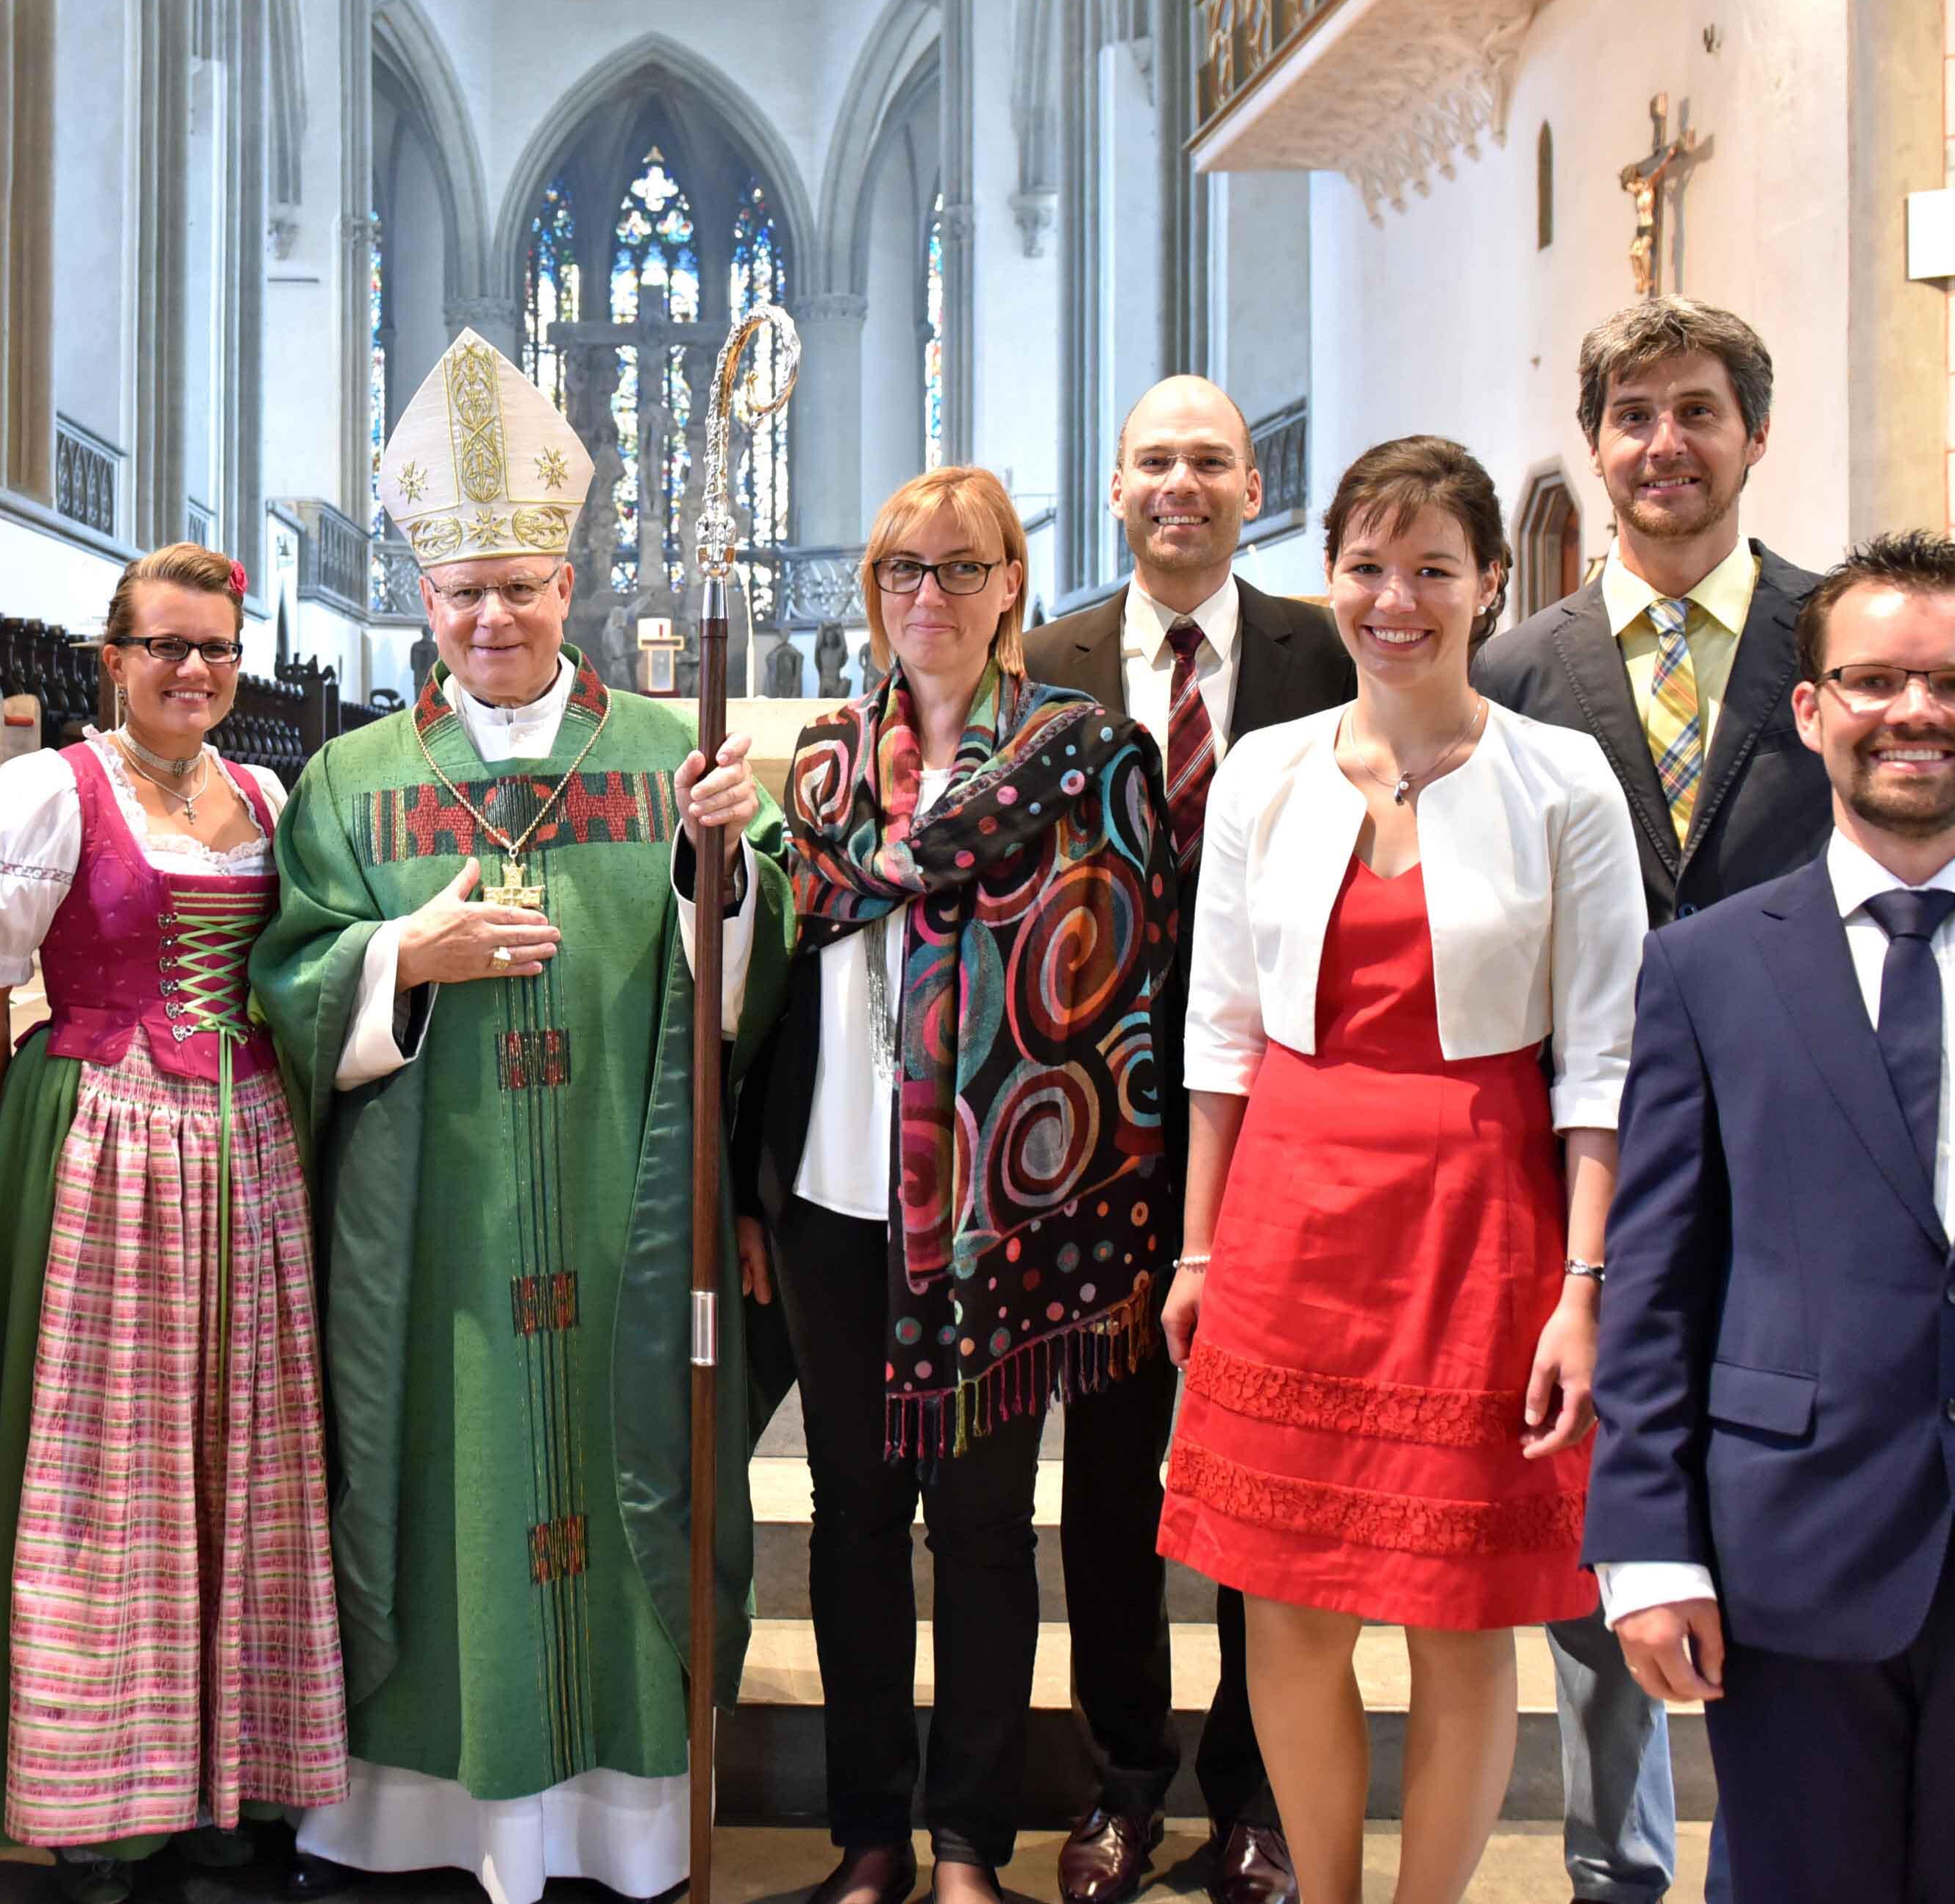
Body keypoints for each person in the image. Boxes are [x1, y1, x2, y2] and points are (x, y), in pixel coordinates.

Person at [248, 328, 788, 1904]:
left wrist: (716, 871)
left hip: (624, 1224)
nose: (491, 618)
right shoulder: (350, 780)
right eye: (461, 594)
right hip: (435, 1243)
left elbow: (744, 978)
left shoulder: (673, 760)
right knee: (438, 1497)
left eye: (520, 589)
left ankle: (622, 1829)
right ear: (424, 601)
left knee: (630, 1486)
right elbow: (289, 980)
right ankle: (415, 1818)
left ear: (568, 586)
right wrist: (397, 961)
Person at [1589, 533, 1955, 1902]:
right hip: (1790, 1546)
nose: (1915, 711)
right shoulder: (1708, 969)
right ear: (1812, 709)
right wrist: (1646, 1544)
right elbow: (1657, 1281)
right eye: (1875, 680)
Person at [1156, 438, 1643, 1904]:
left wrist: (1583, 1286)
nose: (1395, 599)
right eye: (1366, 567)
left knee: (1458, 1611)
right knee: (1289, 1611)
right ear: (1328, 579)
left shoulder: (1562, 780)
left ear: (1489, 583)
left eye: (1432, 568)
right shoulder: (1265, 769)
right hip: (1289, 1220)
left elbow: (1605, 1062)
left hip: (1478, 1219)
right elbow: (1220, 1039)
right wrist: (1196, 1252)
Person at [733, 464, 1172, 1904]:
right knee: (852, 1519)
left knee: (983, 1530)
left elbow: (1124, 987)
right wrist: (743, 1184)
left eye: (960, 567)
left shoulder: (1082, 756)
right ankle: (870, 1836)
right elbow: (765, 991)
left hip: (1002, 1210)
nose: (928, 595)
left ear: (1010, 588)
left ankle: (968, 1843)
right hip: (829, 1194)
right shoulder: (816, 770)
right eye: (901, 570)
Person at [0, 543, 346, 1901]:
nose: (192, 670)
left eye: (216, 647)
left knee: (240, 1454)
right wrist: (24, 1147)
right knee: (109, 1469)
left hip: (250, 1147)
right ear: (114, 660)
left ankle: (229, 1782)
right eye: (165, 645)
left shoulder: (267, 794)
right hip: (103, 1143)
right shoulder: (50, 791)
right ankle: (95, 1793)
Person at [1471, 294, 1823, 1904]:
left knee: (1788, 1482)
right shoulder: (1513, 668)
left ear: (1755, 435)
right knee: (1598, 1487)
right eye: (1632, 416)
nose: (1663, 445)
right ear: (1593, 444)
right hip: (1585, 1142)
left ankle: (1779, 1848)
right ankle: (1614, 1864)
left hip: (1802, 1130)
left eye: (1696, 413)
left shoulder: (1836, 639)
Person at [1021, 374, 1356, 1904]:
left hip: (1278, 1129)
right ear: (1114, 486)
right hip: (1090, 1145)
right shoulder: (1045, 663)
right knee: (1107, 1488)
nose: (1180, 484)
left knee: (1269, 1482)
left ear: (1250, 488)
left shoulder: (1324, 656)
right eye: (1152, 459)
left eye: (1208, 461)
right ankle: (1121, 1785)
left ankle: (1256, 1794)